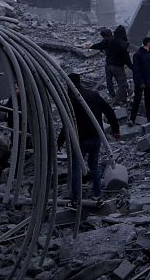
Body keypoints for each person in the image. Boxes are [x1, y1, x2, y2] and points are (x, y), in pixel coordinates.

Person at [61, 72, 120, 208]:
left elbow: (66, 122)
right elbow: (109, 111)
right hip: (95, 137)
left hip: (80, 140)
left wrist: (61, 140)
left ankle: (75, 200)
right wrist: (116, 129)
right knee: (93, 165)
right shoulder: (94, 94)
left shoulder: (71, 99)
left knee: (76, 167)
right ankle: (97, 196)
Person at [86, 25, 132, 106]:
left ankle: (115, 95)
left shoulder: (109, 40)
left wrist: (91, 46)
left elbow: (100, 45)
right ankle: (118, 100)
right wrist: (133, 67)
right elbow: (126, 58)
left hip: (108, 65)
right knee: (122, 83)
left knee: (109, 80)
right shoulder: (123, 43)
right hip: (117, 67)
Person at [130, 37, 150, 124]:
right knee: (137, 100)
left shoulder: (149, 54)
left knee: (149, 100)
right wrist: (140, 82)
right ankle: (132, 119)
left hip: (149, 81)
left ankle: (149, 117)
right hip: (141, 82)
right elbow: (136, 70)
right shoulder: (138, 54)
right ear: (148, 43)